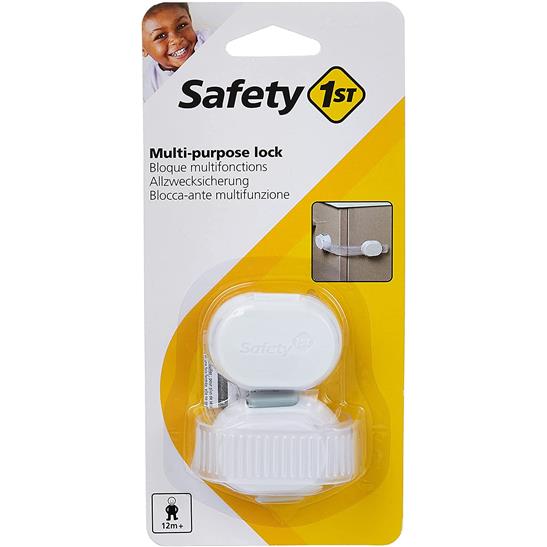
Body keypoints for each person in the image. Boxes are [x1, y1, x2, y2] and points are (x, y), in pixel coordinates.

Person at [142, 3, 207, 101]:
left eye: (182, 25)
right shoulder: (150, 86)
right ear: (142, 49)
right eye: (160, 36)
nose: (176, 39)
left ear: (190, 20)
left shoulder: (212, 41)